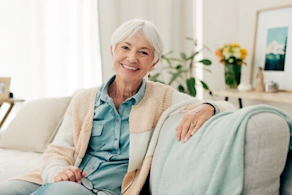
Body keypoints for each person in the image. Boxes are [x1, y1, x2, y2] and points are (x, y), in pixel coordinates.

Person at [0, 19, 235, 195]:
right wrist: (57, 172)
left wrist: (210, 107)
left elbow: (229, 108)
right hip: (61, 180)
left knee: (62, 192)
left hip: (100, 190)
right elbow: (58, 151)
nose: (132, 58)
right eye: (125, 47)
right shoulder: (84, 99)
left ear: (154, 62)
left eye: (143, 52)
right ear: (113, 51)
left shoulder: (162, 97)